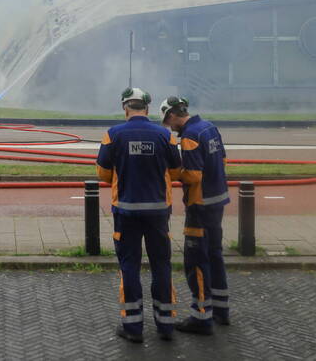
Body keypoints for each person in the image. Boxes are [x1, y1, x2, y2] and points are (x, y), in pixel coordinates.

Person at [96, 87, 183, 343]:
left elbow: (102, 173)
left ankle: (133, 328)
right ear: (146, 108)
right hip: (158, 213)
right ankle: (166, 326)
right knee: (161, 266)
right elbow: (177, 172)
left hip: (126, 212)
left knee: (129, 267)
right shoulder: (165, 136)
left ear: (125, 108)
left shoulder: (113, 135)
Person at [160, 96, 231, 335]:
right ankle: (221, 310)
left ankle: (201, 318)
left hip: (199, 206)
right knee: (215, 254)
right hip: (217, 201)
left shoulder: (190, 136)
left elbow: (193, 176)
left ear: (172, 115)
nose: (170, 127)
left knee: (196, 261)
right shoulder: (210, 128)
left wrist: (172, 172)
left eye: (168, 122)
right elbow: (222, 160)